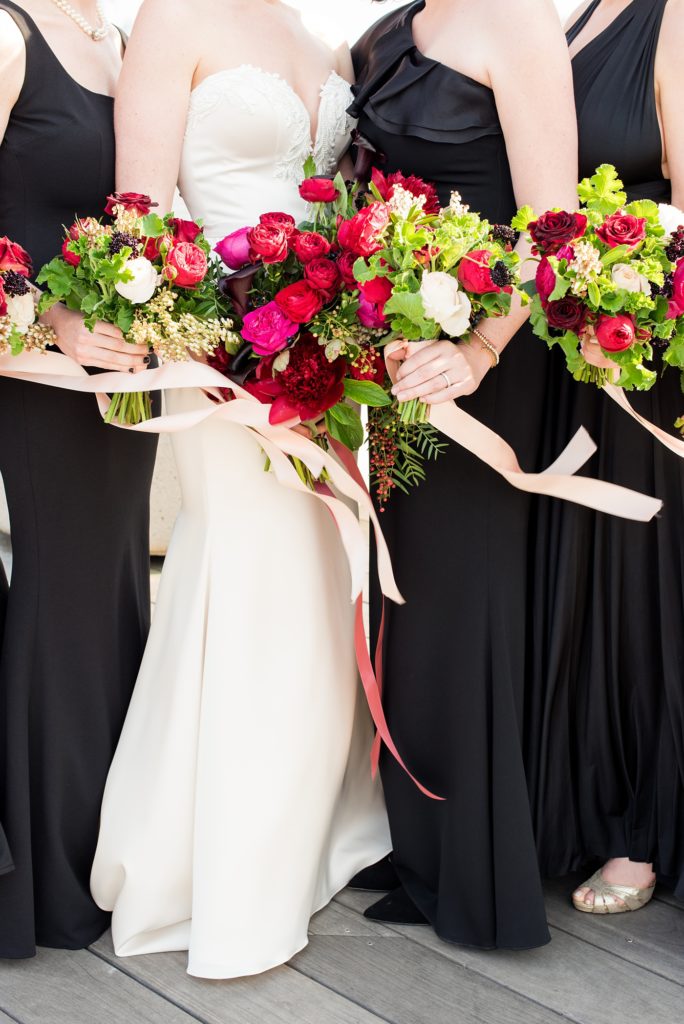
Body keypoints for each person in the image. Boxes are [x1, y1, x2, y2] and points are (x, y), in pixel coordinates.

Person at [89, 0, 391, 980]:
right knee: (248, 575)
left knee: (316, 583)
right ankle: (219, 869)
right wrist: (205, 339)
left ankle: (310, 827)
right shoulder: (172, 19)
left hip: (327, 348)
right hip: (219, 353)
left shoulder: (316, 36)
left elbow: (343, 202)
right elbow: (138, 212)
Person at [349, 0, 578, 949]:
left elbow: (554, 227)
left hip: (483, 363)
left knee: (463, 598)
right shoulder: (393, 25)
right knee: (410, 597)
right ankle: (425, 848)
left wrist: (479, 350)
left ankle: (479, 874)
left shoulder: (519, 21)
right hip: (403, 354)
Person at [0, 0, 157, 957]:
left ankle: (102, 850)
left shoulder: (124, 42)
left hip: (125, 370)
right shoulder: (9, 35)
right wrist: (49, 318)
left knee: (113, 590)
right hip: (34, 370)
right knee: (61, 598)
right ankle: (43, 881)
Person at [527, 0, 684, 914]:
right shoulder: (564, 19)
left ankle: (641, 827)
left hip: (639, 359)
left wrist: (626, 309)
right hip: (558, 356)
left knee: (636, 585)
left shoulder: (673, 20)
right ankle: (577, 802)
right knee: (576, 578)